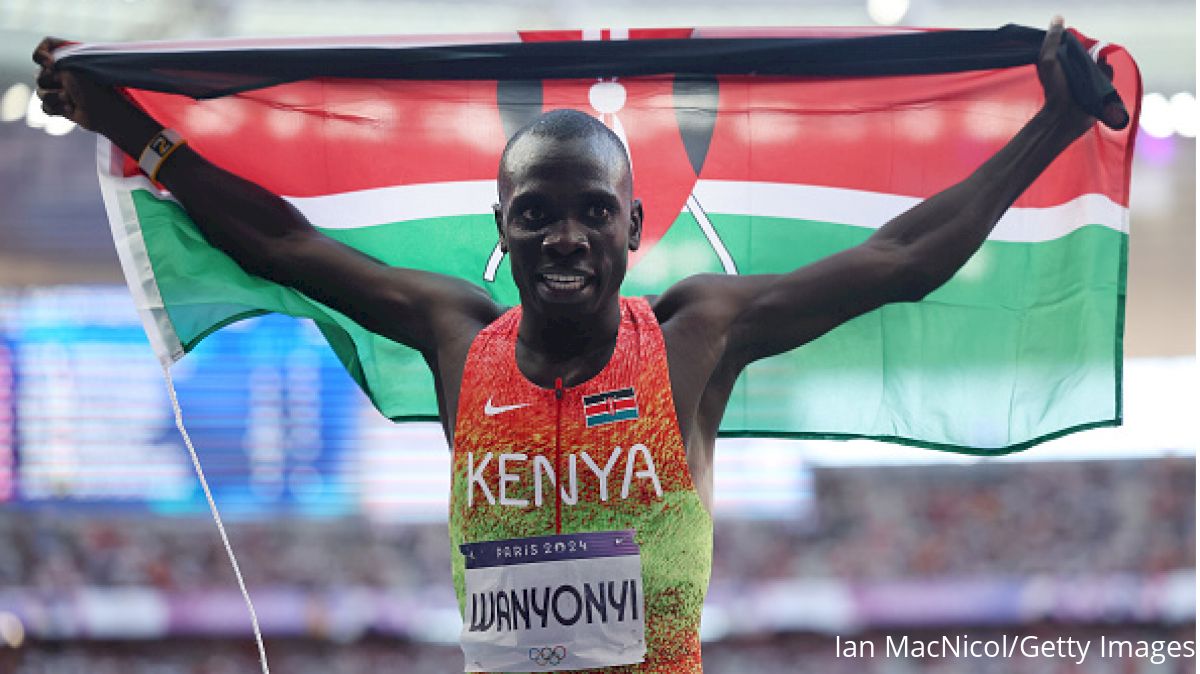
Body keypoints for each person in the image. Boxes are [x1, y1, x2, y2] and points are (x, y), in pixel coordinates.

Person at [33, 17, 1125, 673]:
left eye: (593, 212)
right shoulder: (455, 334)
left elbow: (900, 256)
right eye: (537, 211)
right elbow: (280, 239)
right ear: (500, 228)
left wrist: (1053, 126)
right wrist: (135, 131)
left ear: (633, 226)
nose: (565, 235)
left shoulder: (699, 336)